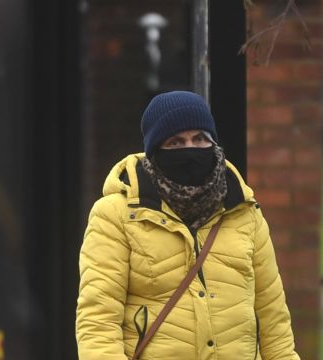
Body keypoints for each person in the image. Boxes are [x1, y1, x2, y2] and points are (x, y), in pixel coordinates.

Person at [75, 91, 299, 360]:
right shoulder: (115, 215)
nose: (190, 149)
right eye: (175, 142)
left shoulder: (245, 212)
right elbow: (98, 323)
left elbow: (273, 320)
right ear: (155, 151)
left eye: (200, 139)